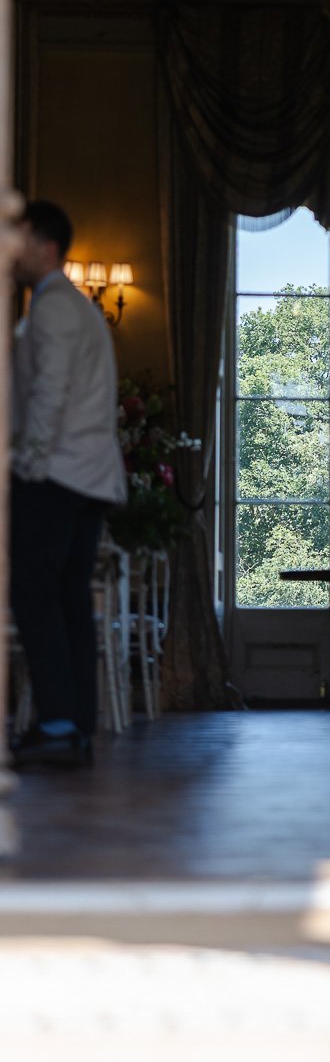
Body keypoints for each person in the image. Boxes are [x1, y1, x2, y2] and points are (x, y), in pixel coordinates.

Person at [8, 200, 127, 768]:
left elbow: (49, 392)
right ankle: (77, 723)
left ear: (47, 246)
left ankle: (57, 723)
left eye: (19, 237)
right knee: (71, 601)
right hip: (91, 477)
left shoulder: (53, 305)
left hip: (56, 474)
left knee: (36, 595)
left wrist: (24, 463)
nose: (11, 248)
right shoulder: (78, 307)